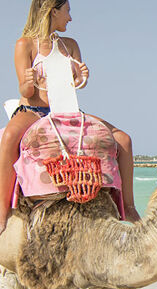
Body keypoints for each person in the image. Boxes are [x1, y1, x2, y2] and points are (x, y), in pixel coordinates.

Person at [0, 0, 140, 236]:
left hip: (68, 111)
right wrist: (28, 80)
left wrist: (82, 77)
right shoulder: (25, 44)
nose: (70, 18)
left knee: (124, 140)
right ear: (53, 11)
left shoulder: (70, 45)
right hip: (35, 111)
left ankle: (128, 206)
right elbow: (25, 92)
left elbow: (75, 86)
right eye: (67, 11)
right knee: (10, 136)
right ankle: (3, 208)